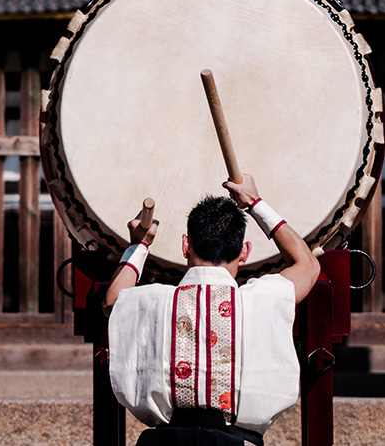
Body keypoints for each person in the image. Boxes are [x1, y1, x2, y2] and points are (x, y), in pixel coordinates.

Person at [103, 173, 321, 446]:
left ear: (185, 245)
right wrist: (255, 202)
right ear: (244, 252)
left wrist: (139, 245)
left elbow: (113, 301)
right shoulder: (260, 300)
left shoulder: (156, 301)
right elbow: (308, 265)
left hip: (165, 444)